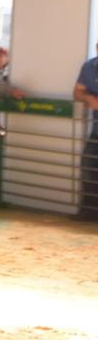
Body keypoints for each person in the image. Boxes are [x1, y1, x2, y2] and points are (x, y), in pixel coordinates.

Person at [73, 42, 98, 221]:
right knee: (88, 165)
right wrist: (89, 97)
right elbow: (77, 92)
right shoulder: (89, 66)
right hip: (96, 129)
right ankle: (89, 210)